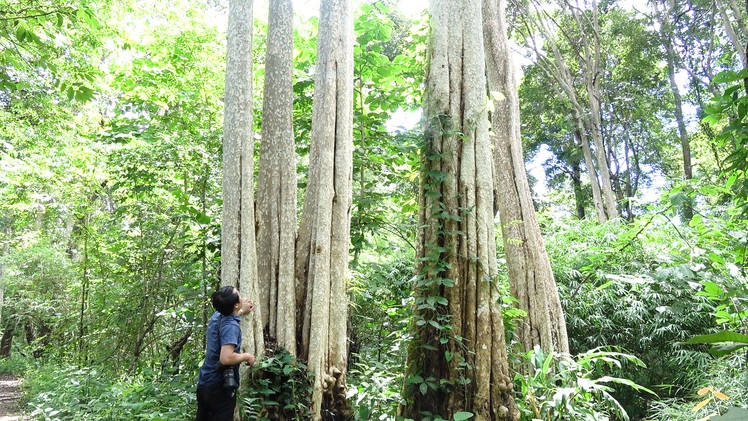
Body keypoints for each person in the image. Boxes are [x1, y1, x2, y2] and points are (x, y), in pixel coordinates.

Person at [195, 286, 256, 421]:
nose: (241, 295)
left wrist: (240, 310)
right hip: (219, 388)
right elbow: (226, 358)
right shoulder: (231, 327)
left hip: (205, 384)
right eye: (238, 294)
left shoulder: (217, 315)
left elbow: (228, 318)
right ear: (234, 304)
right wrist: (247, 356)